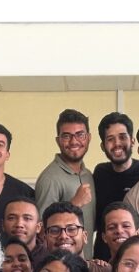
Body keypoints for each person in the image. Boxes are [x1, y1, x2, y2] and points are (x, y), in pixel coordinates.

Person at [34, 108, 97, 258]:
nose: (74, 141)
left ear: (88, 137)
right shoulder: (49, 178)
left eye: (80, 135)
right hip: (62, 269)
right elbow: (41, 233)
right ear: (58, 140)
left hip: (86, 266)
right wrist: (75, 204)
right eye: (66, 136)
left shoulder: (88, 175)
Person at [92, 112, 139, 260]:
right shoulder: (99, 173)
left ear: (132, 141)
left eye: (122, 137)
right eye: (110, 139)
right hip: (104, 259)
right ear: (103, 146)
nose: (117, 143)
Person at [2, 197, 45, 265]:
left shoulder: (49, 260)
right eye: (12, 218)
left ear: (38, 227)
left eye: (27, 218)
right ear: (3, 225)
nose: (19, 224)